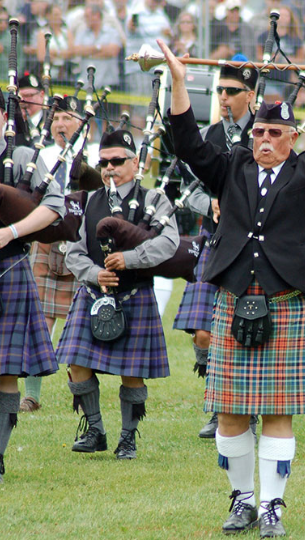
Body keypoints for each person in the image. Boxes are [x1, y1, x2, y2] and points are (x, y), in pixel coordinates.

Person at [158, 37, 305, 537]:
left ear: (292, 136)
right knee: (231, 412)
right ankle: (243, 499)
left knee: (278, 411)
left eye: (275, 132)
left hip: (288, 301)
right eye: (259, 131)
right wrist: (177, 80)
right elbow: (188, 142)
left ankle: (273, 508)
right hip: (235, 299)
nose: (265, 139)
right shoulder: (231, 167)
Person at [55, 128, 179, 460]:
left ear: (135, 162)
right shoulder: (89, 200)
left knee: (132, 371)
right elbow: (74, 251)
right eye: (104, 162)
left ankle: (128, 437)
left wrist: (130, 259)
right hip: (94, 294)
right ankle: (95, 429)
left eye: (117, 161)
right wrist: (96, 273)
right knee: (76, 362)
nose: (109, 168)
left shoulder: (154, 199)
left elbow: (167, 243)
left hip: (134, 294)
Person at [172, 62, 259, 439]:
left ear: (250, 95)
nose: (223, 97)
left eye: (232, 90)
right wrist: (210, 204)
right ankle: (217, 403)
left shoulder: (268, 131)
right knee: (205, 335)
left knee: (251, 333)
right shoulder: (207, 135)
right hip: (216, 242)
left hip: (256, 248)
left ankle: (252, 408)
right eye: (220, 90)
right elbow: (183, 190)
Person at [0, 90, 65, 482]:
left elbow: (53, 204)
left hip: (8, 267)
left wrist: (10, 232)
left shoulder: (23, 157)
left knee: (4, 370)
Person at [21, 96, 98, 413]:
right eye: (55, 119)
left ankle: (82, 391)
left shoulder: (98, 157)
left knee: (83, 325)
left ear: (83, 125)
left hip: (84, 246)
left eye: (68, 118)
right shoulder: (41, 156)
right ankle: (32, 395)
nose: (61, 124)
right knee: (38, 321)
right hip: (47, 239)